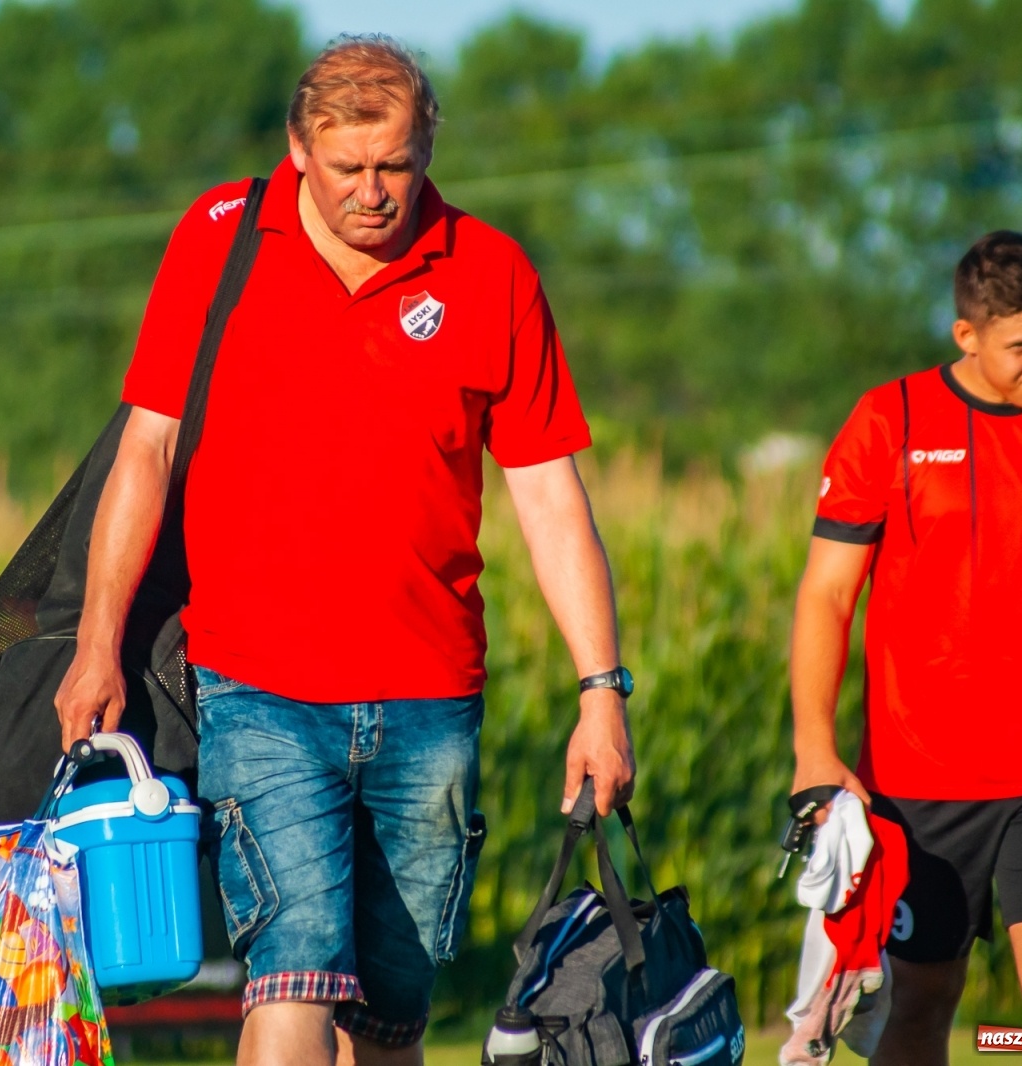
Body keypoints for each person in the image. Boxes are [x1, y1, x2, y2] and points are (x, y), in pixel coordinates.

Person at [53, 35, 635, 1066]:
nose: (373, 193)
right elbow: (144, 448)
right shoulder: (220, 237)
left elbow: (549, 496)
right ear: (296, 148)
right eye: (347, 168)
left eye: (396, 167)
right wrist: (97, 640)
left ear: (428, 151)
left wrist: (601, 691)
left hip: (430, 700)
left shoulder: (490, 271)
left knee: (387, 1026)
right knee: (290, 981)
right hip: (256, 688)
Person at [791, 231, 1022, 1066]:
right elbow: (826, 595)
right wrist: (814, 747)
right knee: (921, 1004)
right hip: (918, 786)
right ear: (967, 335)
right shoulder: (891, 420)